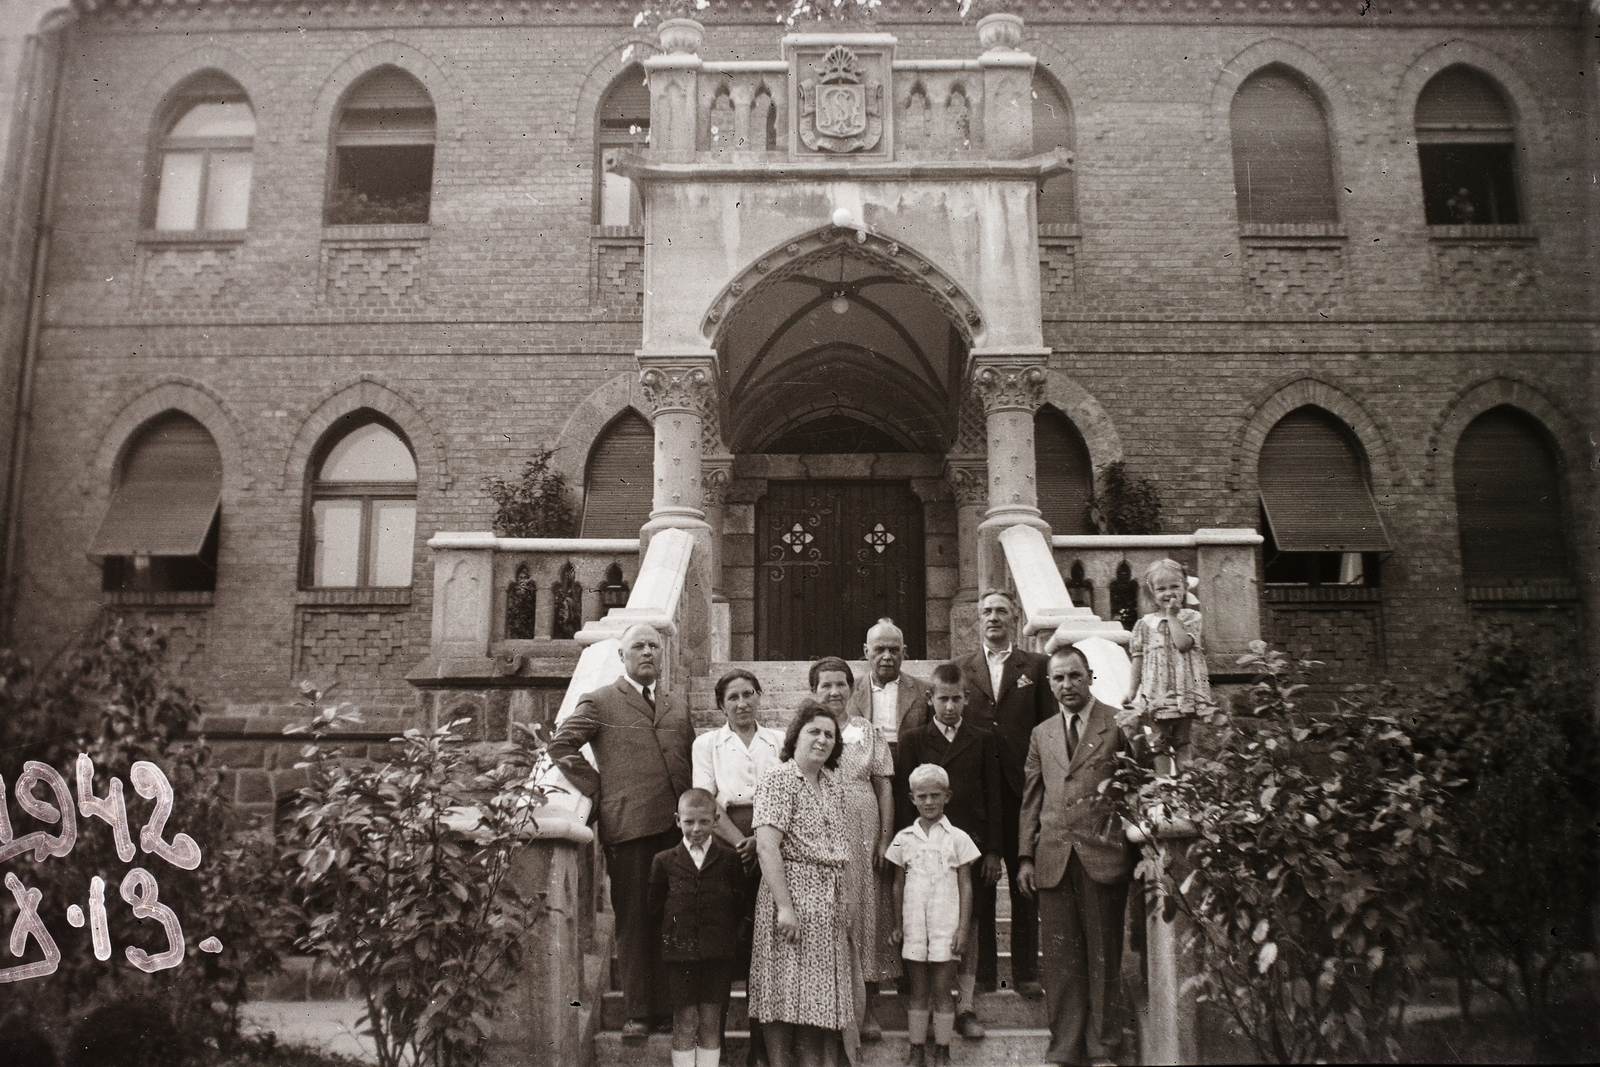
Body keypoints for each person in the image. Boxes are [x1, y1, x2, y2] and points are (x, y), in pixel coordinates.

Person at [546, 623, 695, 1041]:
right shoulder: (601, 700)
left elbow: (689, 758)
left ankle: (666, 1008)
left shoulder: (677, 705)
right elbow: (561, 745)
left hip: (679, 831)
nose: (647, 652)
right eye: (638, 646)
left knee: (673, 918)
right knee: (633, 920)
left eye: (654, 645)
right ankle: (638, 1012)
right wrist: (599, 791)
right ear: (622, 656)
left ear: (662, 655)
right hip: (629, 829)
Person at [1017, 645, 1136, 1067]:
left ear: (1090, 677)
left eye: (1074, 676)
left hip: (1101, 856)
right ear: (1049, 683)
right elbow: (1032, 799)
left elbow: (1135, 788)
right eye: (1058, 678)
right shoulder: (1042, 733)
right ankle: (1065, 1048)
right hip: (1053, 858)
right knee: (1061, 962)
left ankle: (1104, 1045)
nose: (1067, 685)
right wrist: (1026, 856)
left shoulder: (1118, 725)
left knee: (1103, 957)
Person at [894, 661, 1003, 1040]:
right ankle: (923, 1004)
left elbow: (995, 796)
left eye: (957, 699)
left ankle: (966, 1005)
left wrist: (992, 850)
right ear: (930, 698)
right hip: (925, 853)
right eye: (943, 699)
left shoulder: (983, 738)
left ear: (967, 699)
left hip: (968, 850)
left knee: (968, 926)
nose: (951, 707)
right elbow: (901, 800)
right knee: (924, 921)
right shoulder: (912, 740)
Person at [952, 589, 1052, 998]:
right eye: (986, 612)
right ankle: (986, 974)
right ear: (978, 619)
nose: (993, 618)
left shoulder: (1038, 666)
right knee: (981, 885)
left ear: (1014, 618)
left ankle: (1026, 972)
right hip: (978, 796)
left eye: (1001, 612)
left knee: (1025, 883)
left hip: (1022, 791)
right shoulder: (961, 668)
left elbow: (1048, 727)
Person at [749, 701, 855, 1067]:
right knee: (780, 991)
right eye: (814, 731)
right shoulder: (779, 779)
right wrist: (784, 907)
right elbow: (767, 846)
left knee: (815, 999)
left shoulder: (833, 784)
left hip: (827, 902)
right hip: (791, 895)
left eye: (829, 734)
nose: (823, 740)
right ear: (795, 737)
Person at [693, 668, 783, 1066]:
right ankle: (721, 1047)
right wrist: (741, 841)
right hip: (728, 846)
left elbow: (785, 793)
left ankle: (761, 1049)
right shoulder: (708, 744)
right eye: (733, 697)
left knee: (766, 949)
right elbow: (706, 801)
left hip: (773, 844)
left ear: (760, 696)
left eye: (749, 694)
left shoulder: (778, 741)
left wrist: (763, 842)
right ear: (721, 705)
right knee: (732, 946)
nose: (743, 703)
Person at [808, 655, 894, 1043]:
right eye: (825, 685)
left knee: (867, 912)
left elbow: (884, 786)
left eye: (841, 683)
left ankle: (868, 1007)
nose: (834, 691)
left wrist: (885, 837)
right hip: (821, 833)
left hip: (864, 830)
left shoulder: (867, 731)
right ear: (814, 691)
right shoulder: (807, 732)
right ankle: (832, 1007)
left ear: (852, 687)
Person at [886, 763, 981, 1067]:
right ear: (912, 798)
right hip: (914, 926)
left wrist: (963, 929)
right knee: (918, 990)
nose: (928, 802)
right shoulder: (903, 838)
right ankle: (916, 1049)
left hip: (945, 926)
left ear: (947, 796)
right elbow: (898, 884)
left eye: (935, 795)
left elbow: (966, 886)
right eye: (922, 796)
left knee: (942, 990)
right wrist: (898, 925)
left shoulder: (958, 838)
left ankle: (943, 1049)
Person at [650, 788, 750, 1067]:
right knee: (684, 1020)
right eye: (689, 821)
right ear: (677, 820)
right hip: (680, 955)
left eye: (704, 822)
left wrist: (722, 939)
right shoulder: (664, 861)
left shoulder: (729, 860)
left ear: (716, 820)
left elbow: (739, 906)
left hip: (717, 955)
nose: (696, 829)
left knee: (710, 1019)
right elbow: (656, 909)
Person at [1122, 558, 1215, 757]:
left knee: (1182, 741)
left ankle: (1185, 784)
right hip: (1157, 692)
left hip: (1184, 690)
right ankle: (1163, 785)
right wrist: (1132, 690)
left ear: (1185, 587)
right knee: (1158, 742)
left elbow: (1182, 644)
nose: (1169, 593)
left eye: (1175, 586)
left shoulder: (1191, 618)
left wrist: (1172, 617)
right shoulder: (1144, 624)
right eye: (1161, 589)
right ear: (1152, 593)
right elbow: (1138, 659)